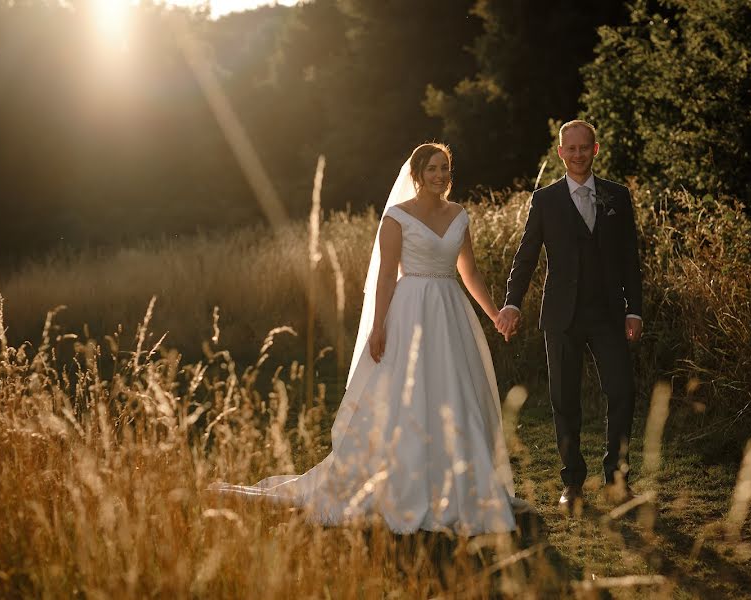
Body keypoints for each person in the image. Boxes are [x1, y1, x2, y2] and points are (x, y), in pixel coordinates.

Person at [210, 143, 526, 535]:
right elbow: (385, 275)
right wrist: (379, 326)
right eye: (431, 169)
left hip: (450, 313)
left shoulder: (459, 215)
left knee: (454, 393)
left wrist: (495, 314)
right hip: (410, 311)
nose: (440, 175)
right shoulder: (397, 217)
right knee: (404, 398)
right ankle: (400, 486)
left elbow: (470, 273)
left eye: (445, 168)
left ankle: (462, 488)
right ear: (417, 175)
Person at [495, 120, 643, 512]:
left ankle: (617, 480)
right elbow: (526, 257)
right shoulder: (545, 200)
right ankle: (572, 484)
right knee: (564, 400)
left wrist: (634, 309)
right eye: (570, 149)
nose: (577, 155)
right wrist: (512, 302)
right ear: (560, 153)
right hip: (561, 317)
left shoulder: (618, 196)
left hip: (609, 313)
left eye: (584, 148)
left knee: (623, 391)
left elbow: (630, 259)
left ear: (595, 150)